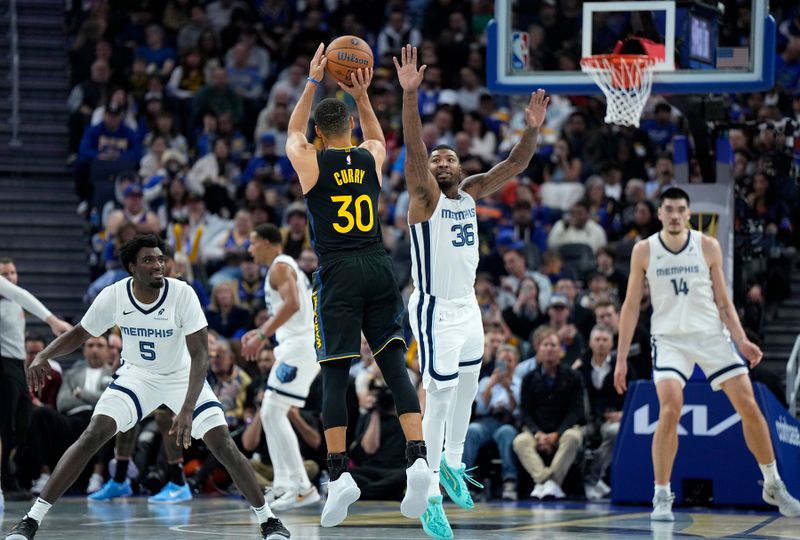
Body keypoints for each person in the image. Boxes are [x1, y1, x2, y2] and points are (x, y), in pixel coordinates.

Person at [4, 235, 290, 540]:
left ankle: (269, 520)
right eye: (149, 260)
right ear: (132, 267)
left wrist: (187, 408)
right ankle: (31, 520)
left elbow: (200, 356)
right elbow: (79, 334)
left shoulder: (182, 294)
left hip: (181, 375)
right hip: (137, 375)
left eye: (160, 259)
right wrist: (44, 354)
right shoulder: (114, 295)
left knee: (223, 443)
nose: (158, 266)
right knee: (93, 434)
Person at [394, 43, 549, 538]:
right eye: (435, 159)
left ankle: (453, 463)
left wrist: (532, 127)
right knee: (437, 395)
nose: (440, 163)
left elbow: (516, 164)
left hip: (468, 307)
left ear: (460, 167)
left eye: (448, 158)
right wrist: (410, 97)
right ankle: (431, 500)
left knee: (467, 384)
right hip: (433, 307)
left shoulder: (473, 190)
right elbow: (414, 147)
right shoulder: (424, 195)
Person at [285, 43, 430, 528]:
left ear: (319, 136)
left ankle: (338, 475)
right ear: (348, 129)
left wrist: (312, 79)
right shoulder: (369, 158)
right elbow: (378, 137)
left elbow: (291, 132)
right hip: (379, 264)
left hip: (340, 272)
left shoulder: (311, 161)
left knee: (335, 373)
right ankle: (419, 460)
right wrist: (362, 94)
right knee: (393, 365)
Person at [614, 187, 800, 521]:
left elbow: (724, 302)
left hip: (712, 336)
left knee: (749, 405)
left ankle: (772, 483)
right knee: (670, 408)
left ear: (688, 213)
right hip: (669, 339)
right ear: (659, 213)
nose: (674, 215)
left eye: (680, 209)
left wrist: (742, 340)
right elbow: (629, 307)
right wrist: (620, 358)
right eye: (668, 209)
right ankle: (662, 495)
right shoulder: (644, 250)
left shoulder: (707, 245)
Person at [241, 224, 321, 511]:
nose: (249, 249)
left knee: (273, 411)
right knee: (271, 411)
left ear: (266, 242)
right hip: (295, 346)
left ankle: (301, 486)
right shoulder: (281, 267)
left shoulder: (279, 267)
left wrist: (262, 334)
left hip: (299, 347)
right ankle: (287, 484)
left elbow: (293, 304)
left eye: (252, 243)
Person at [1, 262, 72, 504]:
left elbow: (20, 295)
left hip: (17, 365)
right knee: (4, 426)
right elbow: (20, 293)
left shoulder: (14, 303)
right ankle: (5, 483)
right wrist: (53, 320)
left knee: (21, 424)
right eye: (4, 273)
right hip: (2, 366)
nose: (9, 277)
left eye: (12, 272)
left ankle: (9, 477)